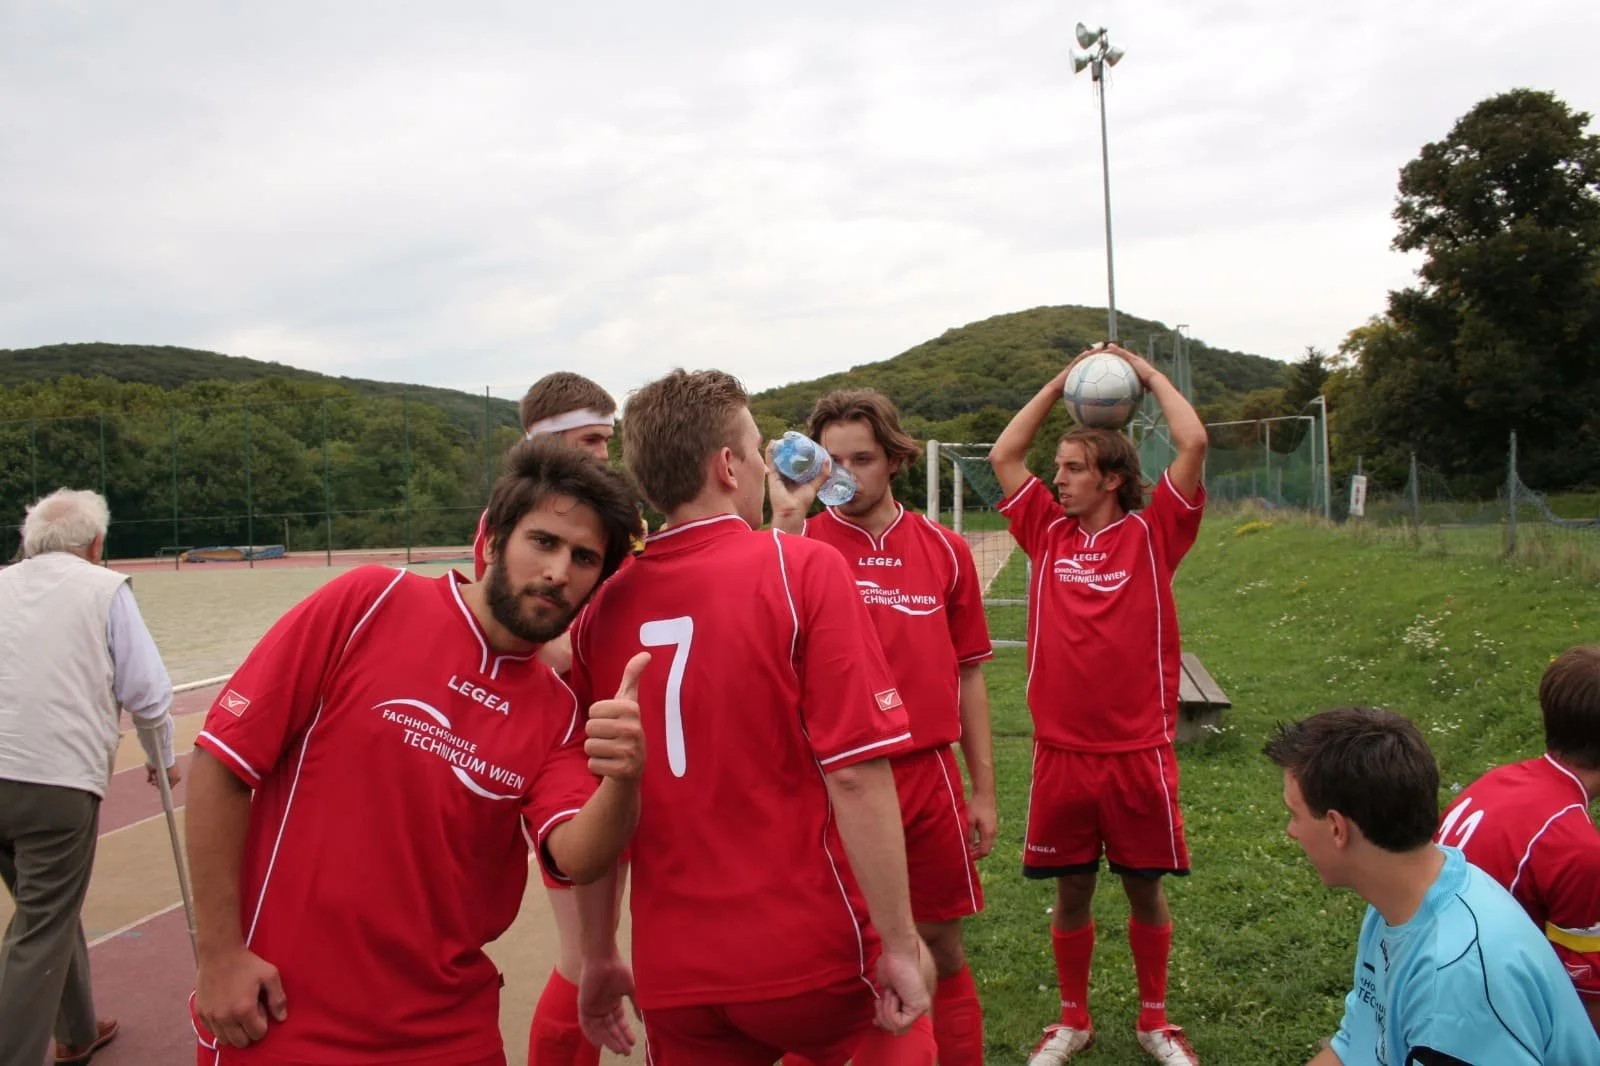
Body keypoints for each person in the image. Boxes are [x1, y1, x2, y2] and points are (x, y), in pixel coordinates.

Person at [185, 438, 647, 1066]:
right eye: (544, 541)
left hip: (448, 1034)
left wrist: (623, 777)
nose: (560, 572)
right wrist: (218, 957)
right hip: (288, 1018)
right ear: (493, 539)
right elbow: (223, 762)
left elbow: (576, 854)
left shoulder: (559, 712)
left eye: (585, 558)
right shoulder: (368, 602)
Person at [569, 368, 936, 1065]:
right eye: (758, 448)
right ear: (728, 464)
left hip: (674, 968)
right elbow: (855, 773)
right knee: (914, 1013)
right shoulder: (804, 570)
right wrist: (898, 943)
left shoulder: (602, 606)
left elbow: (601, 803)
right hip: (806, 947)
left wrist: (597, 953)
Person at [987, 343, 1208, 1065]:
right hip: (1062, 756)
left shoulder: (1153, 533)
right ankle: (1072, 1020)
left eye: (1074, 469)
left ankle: (1155, 1022)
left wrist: (1143, 375)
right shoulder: (1045, 535)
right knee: (1073, 890)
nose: (1058, 480)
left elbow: (1193, 439)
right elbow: (1004, 454)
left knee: (1145, 890)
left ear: (1113, 478)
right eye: (1059, 471)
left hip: (1136, 752)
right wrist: (1062, 382)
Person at [769, 388, 995, 1066]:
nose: (844, 474)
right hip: (833, 781)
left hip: (927, 776)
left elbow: (970, 673)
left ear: (894, 459)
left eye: (861, 458)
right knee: (833, 956)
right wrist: (785, 521)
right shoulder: (799, 546)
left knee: (943, 949)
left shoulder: (947, 551)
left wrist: (983, 791)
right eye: (829, 461)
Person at [1265, 706, 1600, 1065]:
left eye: (1295, 814)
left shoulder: (1455, 978)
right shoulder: (1401, 898)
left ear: (1337, 828)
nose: (1291, 831)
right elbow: (1353, 1048)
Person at [469, 371, 640, 1066]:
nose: (604, 454)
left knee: (604, 951)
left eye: (609, 439)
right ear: (546, 440)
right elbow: (542, 646)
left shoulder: (581, 517)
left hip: (593, 752)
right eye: (593, 439)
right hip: (558, 760)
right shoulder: (515, 522)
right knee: (583, 958)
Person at [0, 488, 178, 1066]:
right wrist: (161, 757)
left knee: (45, 906)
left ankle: (77, 1030)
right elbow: (147, 692)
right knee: (40, 926)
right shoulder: (104, 588)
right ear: (96, 544)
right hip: (54, 780)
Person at [1435, 644, 1600, 1036]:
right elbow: (1589, 1001)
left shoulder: (1497, 781)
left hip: (1426, 977)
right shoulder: (1579, 850)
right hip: (1483, 1022)